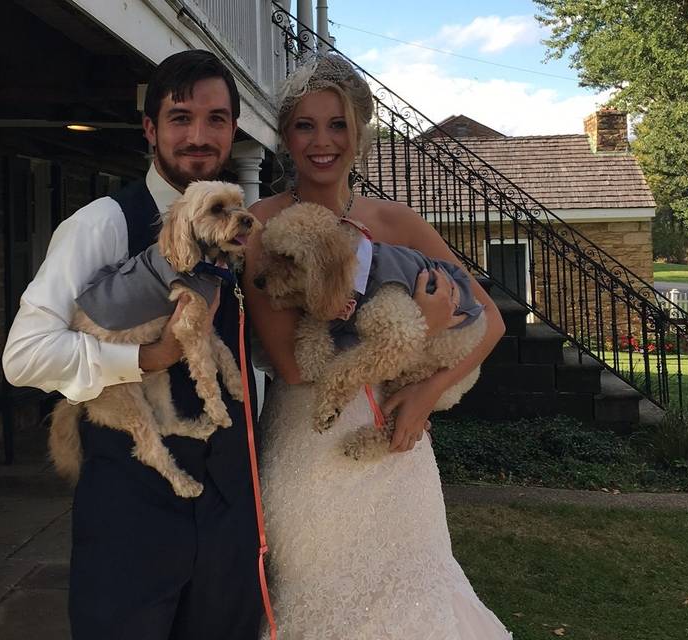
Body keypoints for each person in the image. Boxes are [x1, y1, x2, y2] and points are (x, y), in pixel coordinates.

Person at [242, 53, 514, 638]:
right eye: (305, 126)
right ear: (285, 135)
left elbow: (489, 320)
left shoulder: (397, 224)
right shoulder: (261, 229)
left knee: (416, 598)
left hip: (398, 446)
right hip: (308, 449)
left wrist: (427, 393)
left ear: (360, 132)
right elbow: (292, 365)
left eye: (337, 124)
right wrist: (418, 318)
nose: (322, 141)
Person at [2, 50, 262, 640]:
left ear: (233, 129)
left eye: (216, 119)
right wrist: (146, 358)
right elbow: (25, 355)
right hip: (133, 507)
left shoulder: (237, 227)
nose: (199, 135)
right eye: (180, 117)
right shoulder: (104, 223)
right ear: (150, 129)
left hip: (228, 510)